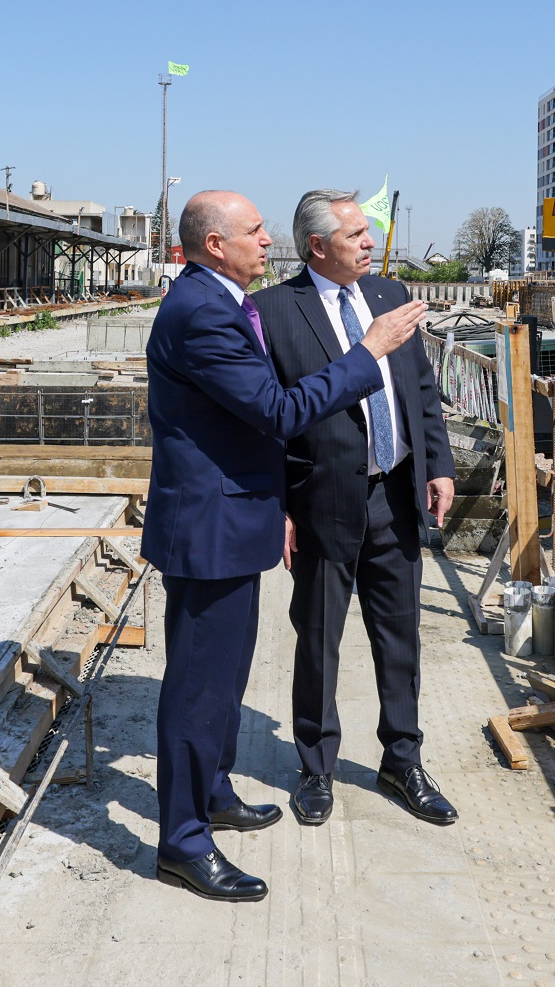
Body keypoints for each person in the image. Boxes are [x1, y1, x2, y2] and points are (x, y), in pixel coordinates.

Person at [143, 189, 426, 901]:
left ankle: (211, 792)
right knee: (197, 688)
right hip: (210, 528)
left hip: (235, 522)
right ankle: (181, 840)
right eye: (254, 230)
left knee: (225, 678)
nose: (268, 241)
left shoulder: (223, 301)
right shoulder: (203, 312)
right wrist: (367, 353)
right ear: (214, 244)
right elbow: (277, 410)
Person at [256, 189, 457, 828]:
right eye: (355, 236)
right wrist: (278, 509)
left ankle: (403, 758)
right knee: (319, 638)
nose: (369, 243)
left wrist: (439, 464)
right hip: (321, 502)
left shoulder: (391, 297)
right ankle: (316, 767)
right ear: (318, 246)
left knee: (400, 638)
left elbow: (420, 391)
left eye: (369, 235)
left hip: (395, 494)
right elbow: (267, 424)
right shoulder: (273, 313)